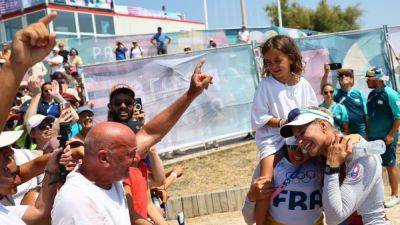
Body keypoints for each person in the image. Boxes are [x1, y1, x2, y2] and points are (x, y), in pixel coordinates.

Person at [52, 59, 213, 225]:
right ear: (104, 158)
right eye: (129, 155)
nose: (137, 159)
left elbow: (151, 133)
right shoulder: (77, 202)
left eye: (128, 102)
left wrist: (191, 94)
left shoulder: (112, 180)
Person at [279, 107, 388, 225]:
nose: (299, 143)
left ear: (323, 126)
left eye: (302, 132)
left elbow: (334, 218)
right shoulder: (319, 155)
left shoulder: (362, 156)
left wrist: (332, 167)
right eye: (296, 137)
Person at [251, 35, 318, 225]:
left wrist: (300, 129)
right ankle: (260, 222)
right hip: (273, 140)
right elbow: (259, 117)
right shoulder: (265, 85)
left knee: (327, 166)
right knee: (265, 180)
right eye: (268, 62)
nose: (273, 66)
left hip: (301, 137)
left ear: (291, 57)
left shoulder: (303, 84)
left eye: (277, 60)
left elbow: (313, 111)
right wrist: (282, 123)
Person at [242, 137, 324, 225]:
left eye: (304, 148)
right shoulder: (271, 166)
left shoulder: (320, 163)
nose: (298, 153)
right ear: (286, 143)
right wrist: (250, 197)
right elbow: (249, 220)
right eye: (293, 146)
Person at [0, 12, 57, 132]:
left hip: (35, 81)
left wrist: (18, 65)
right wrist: (17, 66)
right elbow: (27, 126)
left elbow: (44, 71)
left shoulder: (39, 63)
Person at [0, 129, 71, 224]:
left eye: (18, 172)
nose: (19, 180)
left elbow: (40, 213)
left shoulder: (6, 211)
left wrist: (57, 159)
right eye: (5, 155)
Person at [365, 67, 400, 208]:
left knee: (390, 165)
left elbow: (398, 116)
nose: (367, 81)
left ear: (377, 80)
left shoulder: (391, 94)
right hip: (373, 138)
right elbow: (369, 116)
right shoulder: (371, 94)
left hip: (387, 138)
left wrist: (391, 135)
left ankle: (395, 195)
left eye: (369, 79)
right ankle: (375, 196)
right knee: (375, 166)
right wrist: (368, 134)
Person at [321, 64, 368, 137]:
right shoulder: (335, 93)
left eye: (346, 75)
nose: (343, 76)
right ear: (339, 80)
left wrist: (368, 133)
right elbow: (324, 87)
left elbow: (366, 114)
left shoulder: (359, 93)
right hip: (343, 133)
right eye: (341, 75)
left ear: (352, 79)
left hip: (361, 132)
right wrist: (326, 73)